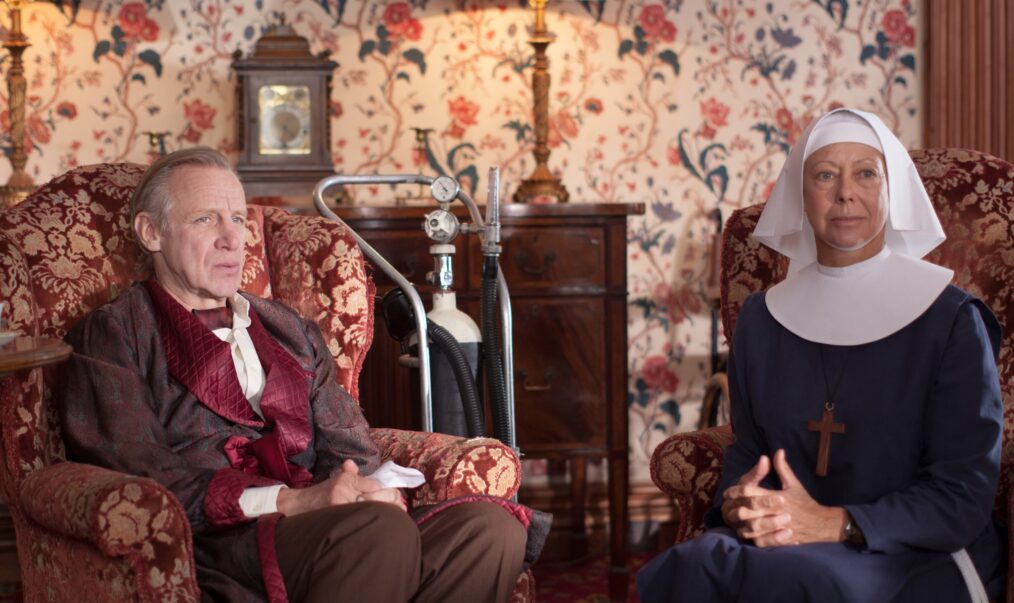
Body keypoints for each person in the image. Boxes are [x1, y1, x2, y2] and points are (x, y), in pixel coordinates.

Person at [57, 148, 547, 602]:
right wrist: (295, 501)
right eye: (206, 219)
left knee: (492, 529)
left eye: (236, 218)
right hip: (220, 542)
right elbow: (142, 477)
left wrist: (367, 486)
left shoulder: (287, 328)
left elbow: (348, 445)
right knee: (377, 532)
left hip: (331, 526)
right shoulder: (114, 334)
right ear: (151, 232)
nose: (232, 240)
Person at [637, 108, 1006, 602]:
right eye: (825, 175)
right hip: (788, 544)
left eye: (866, 174)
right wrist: (740, 503)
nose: (845, 192)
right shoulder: (762, 320)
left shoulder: (952, 320)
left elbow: (964, 496)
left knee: (805, 582)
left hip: (913, 551)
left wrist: (834, 523)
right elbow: (750, 452)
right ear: (801, 196)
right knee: (693, 564)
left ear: (892, 190)